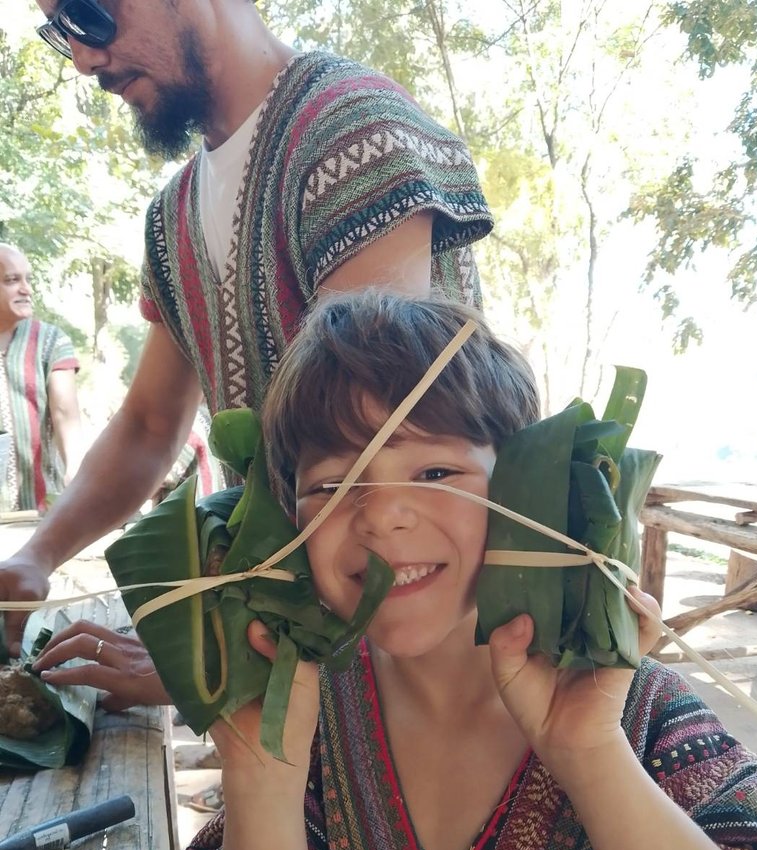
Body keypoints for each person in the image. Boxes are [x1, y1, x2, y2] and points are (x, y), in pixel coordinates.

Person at [175, 291, 757, 850]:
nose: (383, 515)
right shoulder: (303, 710)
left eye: (435, 469)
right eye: (334, 484)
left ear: (523, 488)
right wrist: (261, 778)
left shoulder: (634, 714)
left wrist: (590, 754)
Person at [9, 0, 492, 709]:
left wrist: (221, 649)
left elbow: (369, 447)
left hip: (418, 657)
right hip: (306, 659)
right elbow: (149, 426)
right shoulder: (171, 217)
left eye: (89, 14)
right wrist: (33, 557)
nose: (83, 58)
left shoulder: (351, 131)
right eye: (61, 31)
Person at [0, 244, 83, 514]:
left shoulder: (50, 341)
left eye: (27, 279)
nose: (26, 289)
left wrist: (75, 470)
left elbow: (64, 414)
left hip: (38, 514)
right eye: (12, 280)